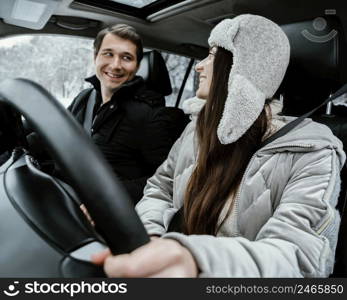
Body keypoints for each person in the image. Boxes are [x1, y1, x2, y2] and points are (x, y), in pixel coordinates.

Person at [92, 15, 346, 277]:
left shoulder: (312, 151)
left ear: (241, 68)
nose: (199, 66)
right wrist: (151, 239)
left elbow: (301, 259)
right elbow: (160, 188)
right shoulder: (196, 131)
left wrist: (199, 261)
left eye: (212, 55)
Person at [68, 24, 174, 204]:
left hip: (106, 218)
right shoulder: (84, 98)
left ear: (137, 65)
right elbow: (54, 136)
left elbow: (164, 182)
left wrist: (106, 199)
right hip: (65, 197)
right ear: (96, 57)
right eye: (108, 54)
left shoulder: (152, 116)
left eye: (126, 57)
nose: (116, 65)